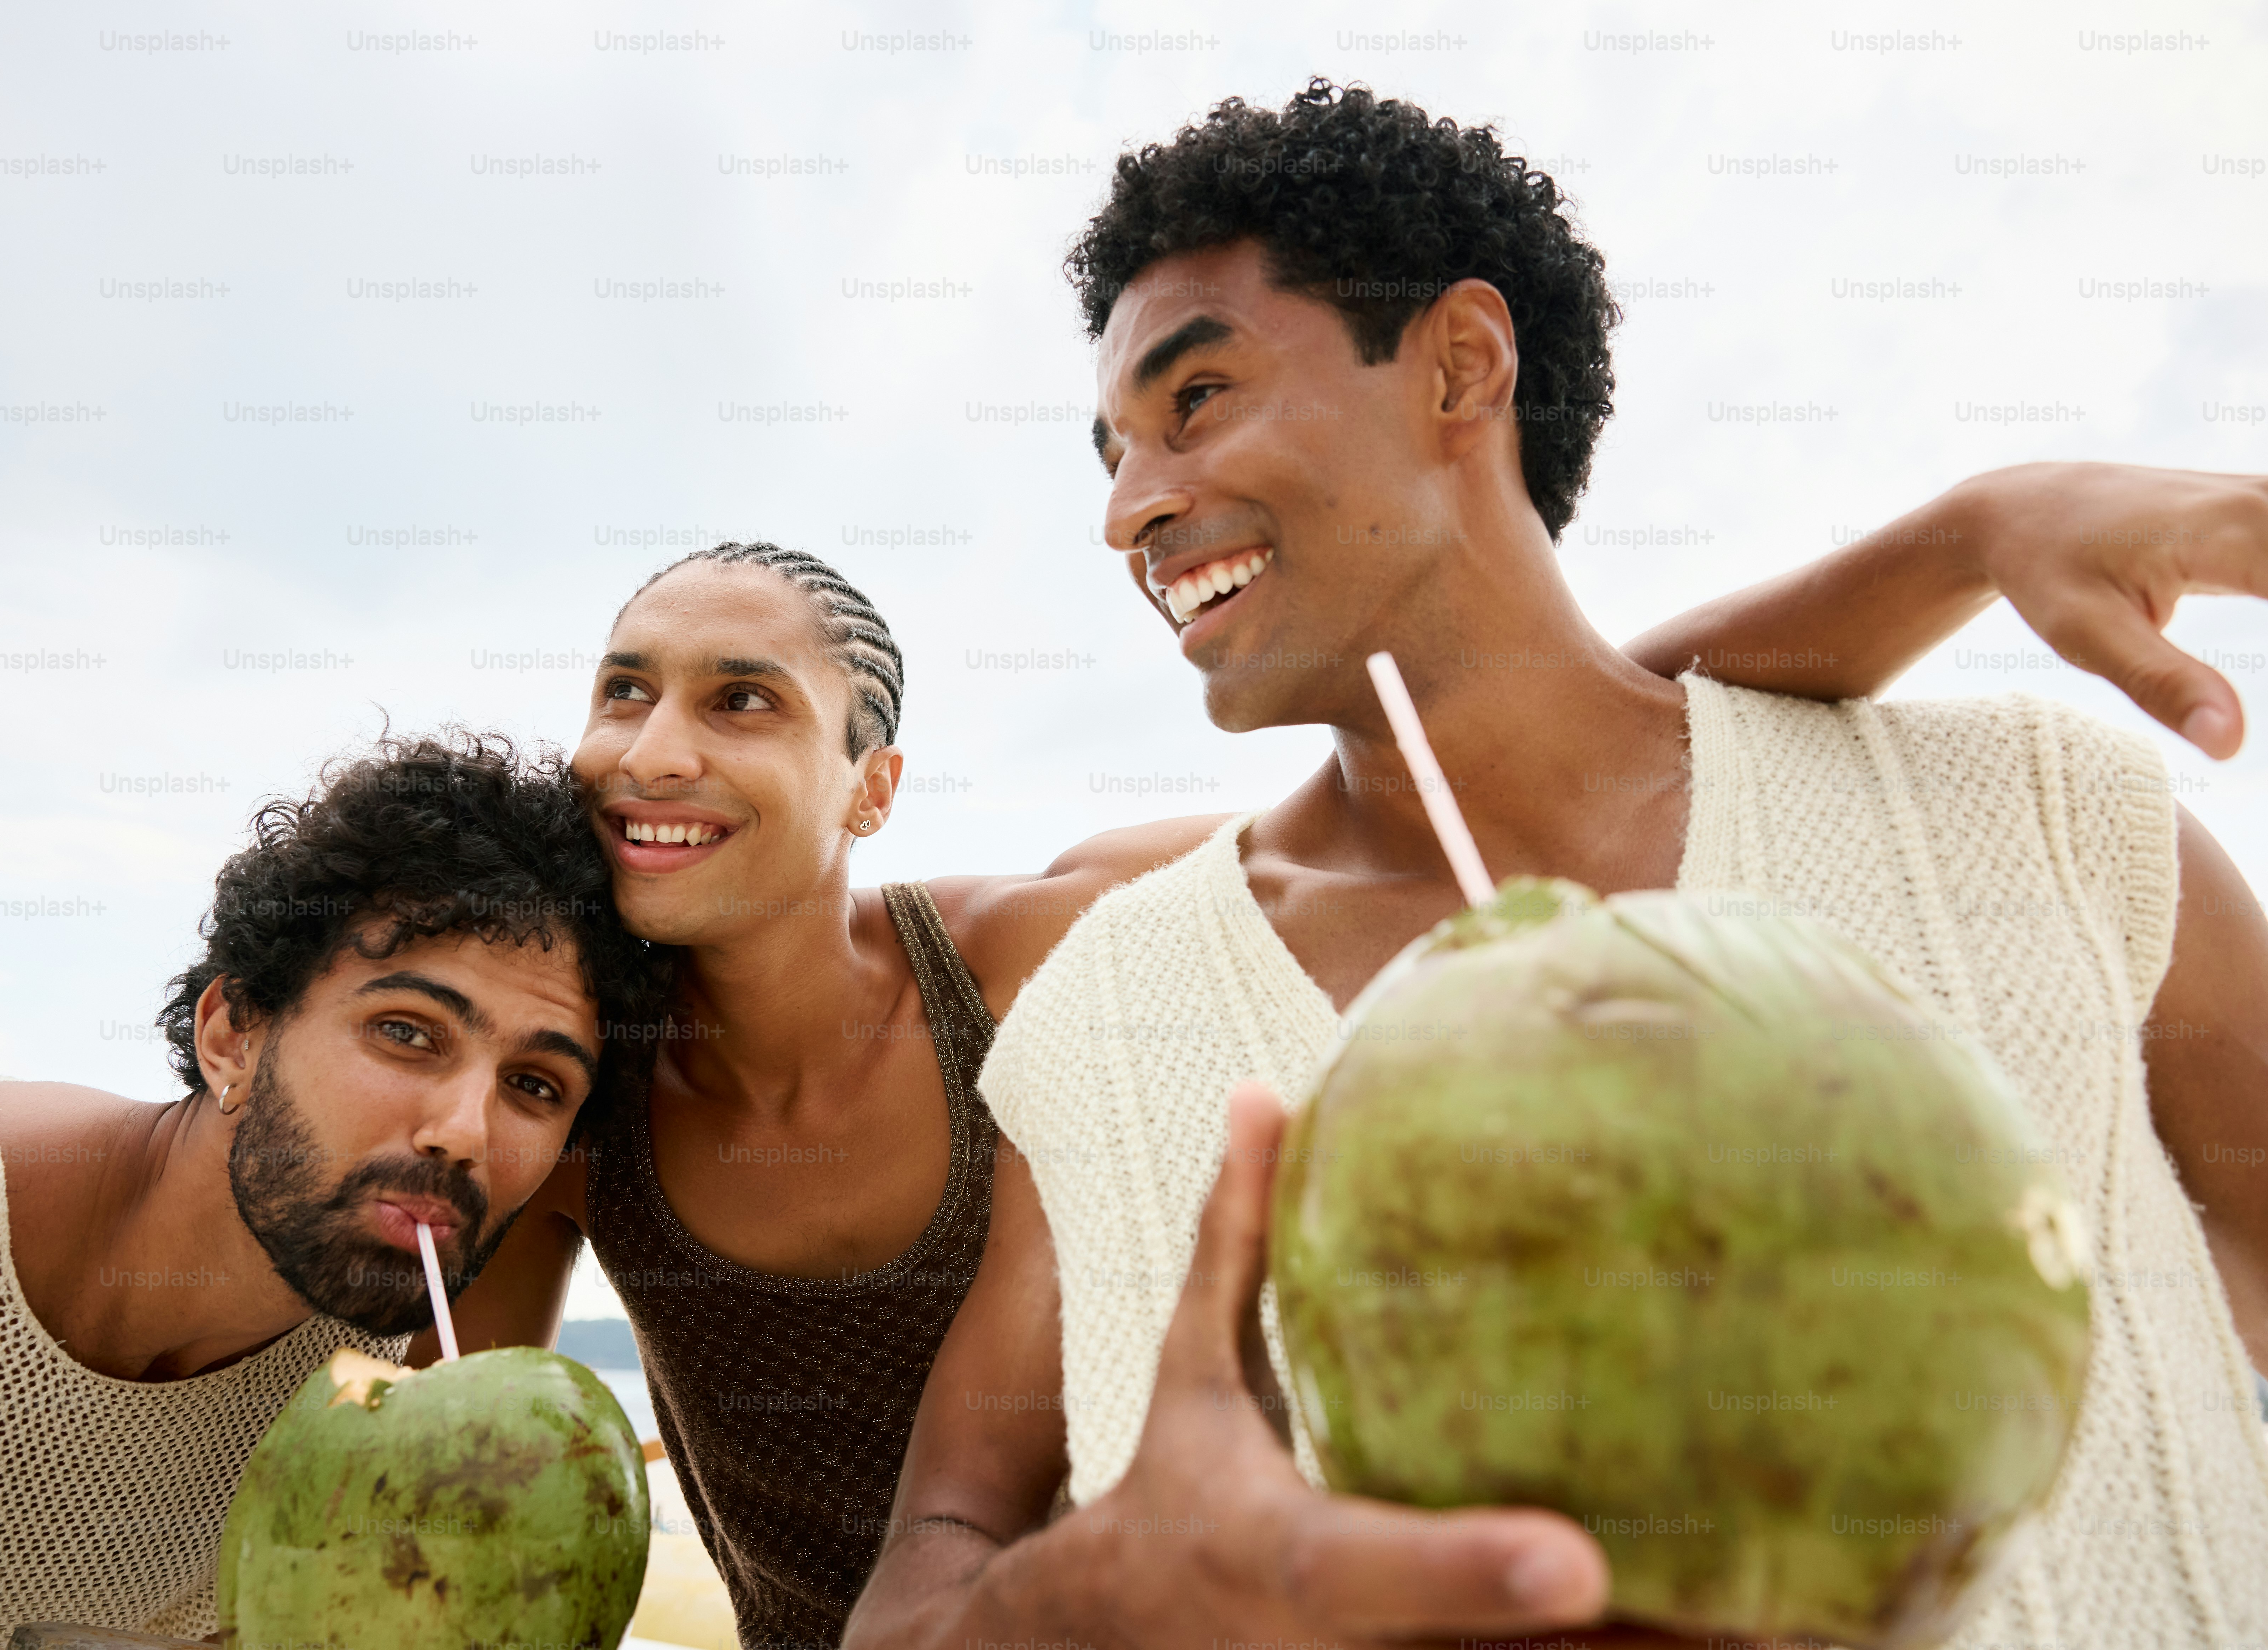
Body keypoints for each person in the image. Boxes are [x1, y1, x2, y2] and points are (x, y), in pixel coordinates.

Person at [844, 83, 2268, 1649]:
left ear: (1460, 365)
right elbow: (936, 1563)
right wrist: (1075, 1600)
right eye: (1110, 451)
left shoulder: (2050, 818)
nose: (1130, 508)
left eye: (1196, 400)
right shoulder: (1105, 1020)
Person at [446, 465, 2268, 1647]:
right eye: (622, 687)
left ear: (872, 785)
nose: (654, 747)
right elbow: (472, 1437)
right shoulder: (568, 1090)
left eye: (739, 699)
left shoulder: (1027, 945)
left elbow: (1466, 763)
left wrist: (1950, 546)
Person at [0, 730, 664, 1648]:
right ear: (232, 1037)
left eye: (535, 1085)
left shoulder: (412, 1341)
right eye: (406, 1032)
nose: (464, 1132)